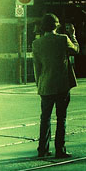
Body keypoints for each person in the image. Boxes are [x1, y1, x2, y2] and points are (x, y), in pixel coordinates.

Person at [32, 13, 79, 159]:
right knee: (61, 118)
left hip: (45, 85)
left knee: (45, 118)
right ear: (56, 25)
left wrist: (39, 84)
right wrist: (73, 35)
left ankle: (42, 149)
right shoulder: (63, 39)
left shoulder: (36, 43)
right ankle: (60, 149)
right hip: (62, 85)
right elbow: (76, 50)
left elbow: (36, 68)